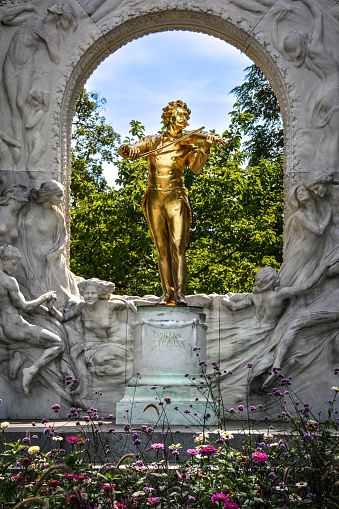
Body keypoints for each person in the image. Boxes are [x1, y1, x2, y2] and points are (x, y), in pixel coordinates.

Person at [118, 100, 227, 305]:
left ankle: (180, 294)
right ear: (169, 117)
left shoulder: (187, 145)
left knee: (177, 245)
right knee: (161, 248)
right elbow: (131, 150)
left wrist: (205, 148)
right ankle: (167, 295)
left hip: (175, 197)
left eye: (186, 116)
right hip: (154, 197)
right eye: (181, 115)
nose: (185, 119)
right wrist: (128, 149)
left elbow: (195, 168)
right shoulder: (152, 141)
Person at [1, 3, 77, 154]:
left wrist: (46, 40)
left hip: (25, 69)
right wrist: (26, 7)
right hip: (10, 64)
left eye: (58, 5)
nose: (54, 4)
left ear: (59, 13)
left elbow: (57, 58)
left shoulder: (50, 32)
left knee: (21, 103)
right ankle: (17, 143)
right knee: (12, 105)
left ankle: (25, 142)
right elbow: (6, 19)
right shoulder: (31, 18)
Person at [0, 245, 63, 395]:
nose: (15, 268)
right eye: (13, 263)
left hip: (3, 330)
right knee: (58, 343)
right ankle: (31, 370)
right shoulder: (8, 281)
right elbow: (25, 306)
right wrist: (45, 297)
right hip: (15, 327)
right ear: (3, 260)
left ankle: (19, 354)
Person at [47, 278, 134, 378]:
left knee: (100, 360)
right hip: (99, 344)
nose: (89, 296)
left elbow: (132, 305)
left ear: (99, 294)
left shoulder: (110, 305)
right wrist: (51, 308)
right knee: (87, 360)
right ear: (83, 294)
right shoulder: (82, 307)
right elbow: (63, 318)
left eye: (93, 293)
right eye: (87, 293)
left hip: (121, 340)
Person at [16, 180, 79, 305]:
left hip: (51, 260)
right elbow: (20, 237)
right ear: (48, 195)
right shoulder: (28, 210)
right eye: (58, 195)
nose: (62, 199)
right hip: (32, 259)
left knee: (61, 297)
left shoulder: (57, 215)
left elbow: (64, 239)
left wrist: (56, 254)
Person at [278, 183, 331, 286]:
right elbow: (319, 231)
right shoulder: (299, 215)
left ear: (311, 193)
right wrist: (328, 213)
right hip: (301, 252)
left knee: (306, 282)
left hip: (315, 252)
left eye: (303, 190)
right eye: (298, 193)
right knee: (286, 282)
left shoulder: (318, 213)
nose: (300, 194)